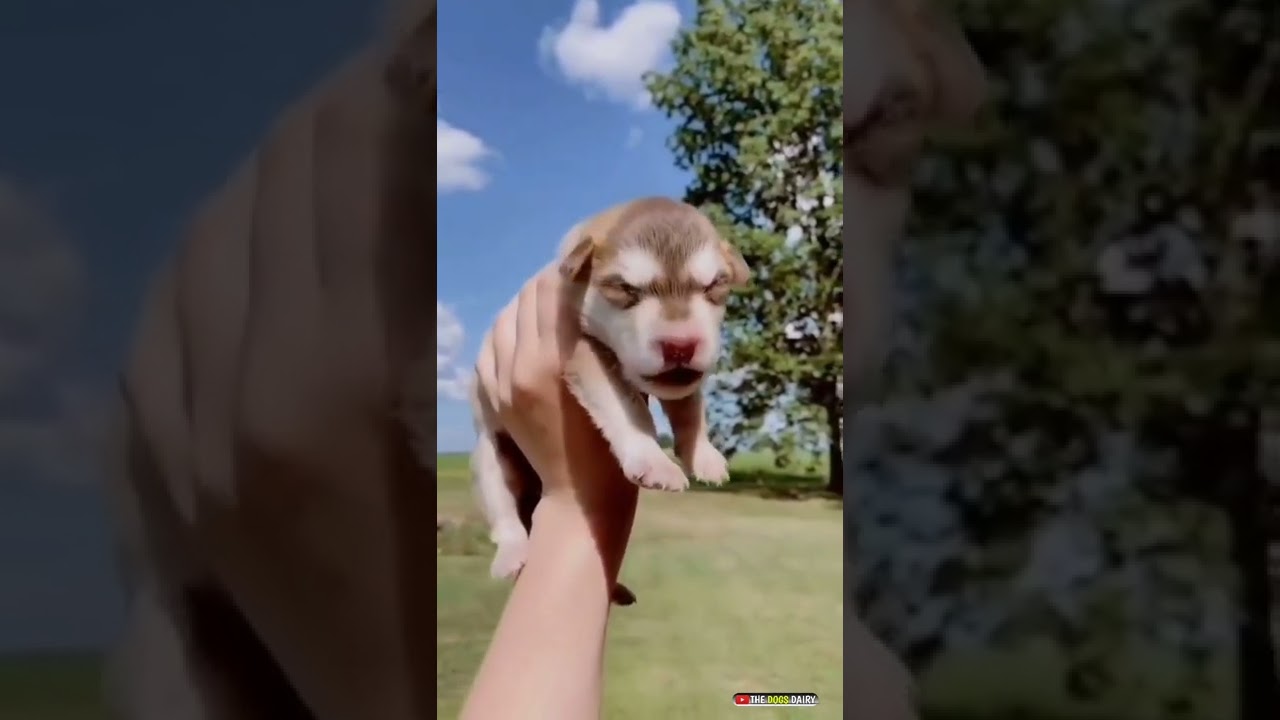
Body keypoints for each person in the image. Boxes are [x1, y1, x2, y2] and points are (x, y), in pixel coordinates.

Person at [458, 264, 640, 720]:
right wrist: (574, 504)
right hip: (512, 443)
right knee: (494, 467)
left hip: (536, 455)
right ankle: (515, 535)